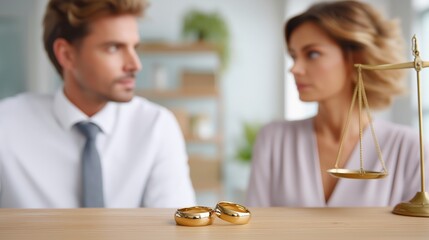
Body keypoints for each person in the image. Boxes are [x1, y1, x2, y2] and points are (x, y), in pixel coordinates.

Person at [0, 0, 196, 208]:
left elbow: (176, 230)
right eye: (114, 48)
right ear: (67, 55)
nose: (135, 65)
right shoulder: (5, 126)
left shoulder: (157, 127)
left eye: (134, 47)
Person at [246, 0, 429, 207]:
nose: (294, 69)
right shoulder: (274, 140)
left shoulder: (409, 148)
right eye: (294, 56)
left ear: (356, 58)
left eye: (312, 54)